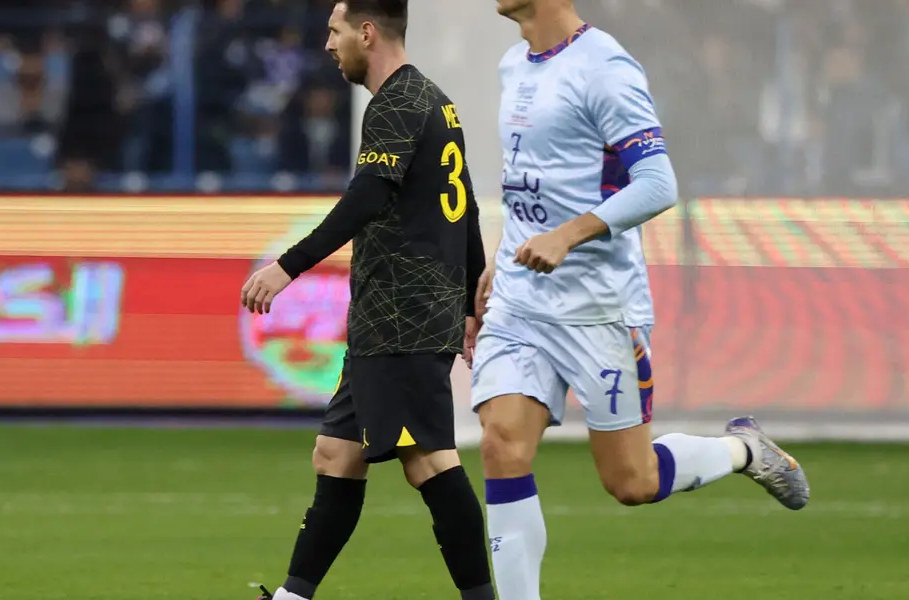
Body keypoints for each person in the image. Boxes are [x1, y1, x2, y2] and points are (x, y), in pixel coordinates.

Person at [469, 1, 812, 598]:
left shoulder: (605, 65)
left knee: (631, 480)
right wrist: (504, 253)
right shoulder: (512, 65)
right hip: (522, 300)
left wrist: (568, 235)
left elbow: (657, 184)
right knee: (501, 444)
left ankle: (741, 449)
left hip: (597, 308)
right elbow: (528, 174)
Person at [239, 2, 493, 599]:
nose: (328, 44)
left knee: (429, 461)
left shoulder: (397, 102)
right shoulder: (433, 100)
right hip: (392, 315)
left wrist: (288, 265)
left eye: (335, 30)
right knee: (336, 454)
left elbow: (367, 198)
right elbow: (467, 207)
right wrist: (470, 300)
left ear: (367, 32)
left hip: (401, 314)